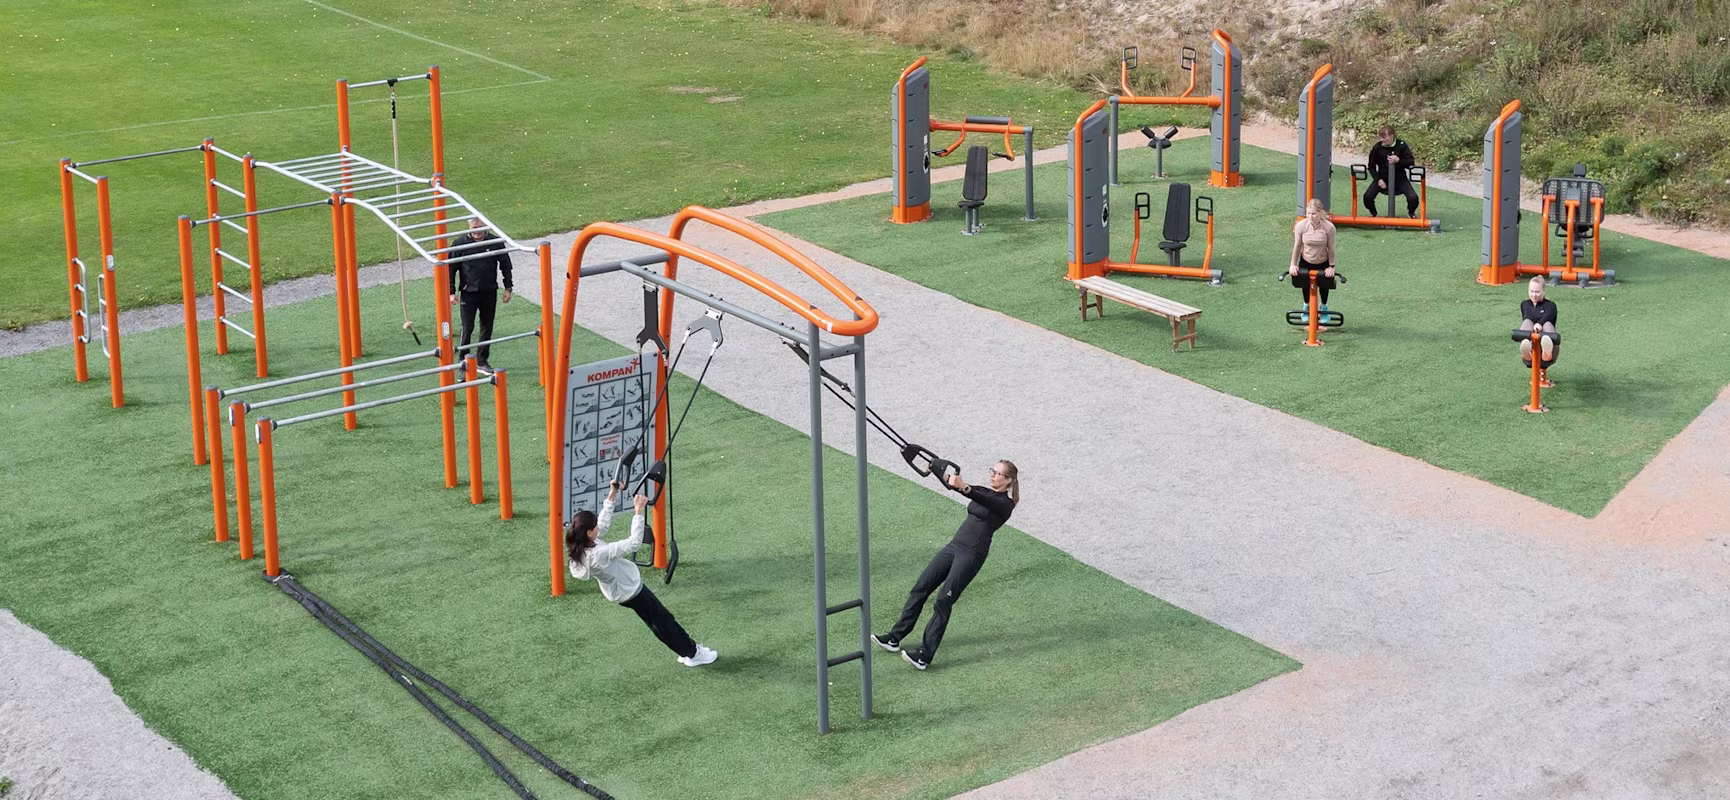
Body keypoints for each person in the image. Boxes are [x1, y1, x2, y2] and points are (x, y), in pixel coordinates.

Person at [872, 460, 1020, 671]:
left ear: (1008, 480)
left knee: (943, 601)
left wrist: (965, 487)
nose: (993, 475)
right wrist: (936, 470)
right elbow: (957, 487)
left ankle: (924, 656)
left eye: (998, 473)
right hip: (953, 547)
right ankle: (894, 638)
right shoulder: (985, 491)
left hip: (971, 555)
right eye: (992, 471)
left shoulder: (1005, 505)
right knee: (921, 587)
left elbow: (973, 494)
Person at [567, 483, 717, 667]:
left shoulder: (583, 541)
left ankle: (686, 650)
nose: (598, 527)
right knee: (663, 621)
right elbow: (633, 544)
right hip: (630, 590)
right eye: (594, 526)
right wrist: (638, 512)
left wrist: (612, 494)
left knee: (658, 621)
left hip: (623, 591)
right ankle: (692, 653)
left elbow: (603, 523)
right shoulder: (598, 554)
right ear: (589, 532)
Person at [447, 218, 513, 371]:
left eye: (480, 227)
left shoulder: (495, 242)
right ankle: (463, 362)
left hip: (489, 292)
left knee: (487, 327)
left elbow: (505, 265)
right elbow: (450, 270)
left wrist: (508, 287)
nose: (477, 231)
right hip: (468, 293)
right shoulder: (460, 243)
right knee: (467, 327)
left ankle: (482, 361)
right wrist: (451, 292)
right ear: (469, 227)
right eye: (474, 227)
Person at [1289, 198, 1338, 322]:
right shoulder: (1301, 226)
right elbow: (1297, 246)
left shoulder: (1329, 227)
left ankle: (1324, 307)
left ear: (1320, 213)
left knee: (1325, 283)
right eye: (1309, 213)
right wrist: (1293, 265)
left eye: (1314, 213)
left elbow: (1331, 248)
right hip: (1306, 260)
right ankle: (1306, 305)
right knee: (1304, 282)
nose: (1311, 216)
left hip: (1322, 261)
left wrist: (1331, 266)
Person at [1364, 125, 1419, 218]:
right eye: (1381, 137)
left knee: (1413, 198)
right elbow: (1371, 167)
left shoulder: (1401, 145)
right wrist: (1379, 180)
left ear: (1392, 136)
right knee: (1367, 197)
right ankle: (1373, 213)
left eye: (1384, 137)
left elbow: (1410, 162)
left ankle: (1411, 212)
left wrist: (1399, 161)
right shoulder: (1377, 148)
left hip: (1400, 179)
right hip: (1383, 178)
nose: (1382, 140)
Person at [1518, 276, 1559, 367]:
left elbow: (1548, 316)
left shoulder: (1550, 305)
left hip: (1549, 345)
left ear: (1543, 292)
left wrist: (1540, 324)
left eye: (1537, 292)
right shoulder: (1525, 304)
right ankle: (1526, 349)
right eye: (1531, 291)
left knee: (1547, 324)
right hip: (1533, 344)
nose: (1534, 295)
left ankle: (1547, 352)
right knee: (1527, 322)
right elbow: (1528, 316)